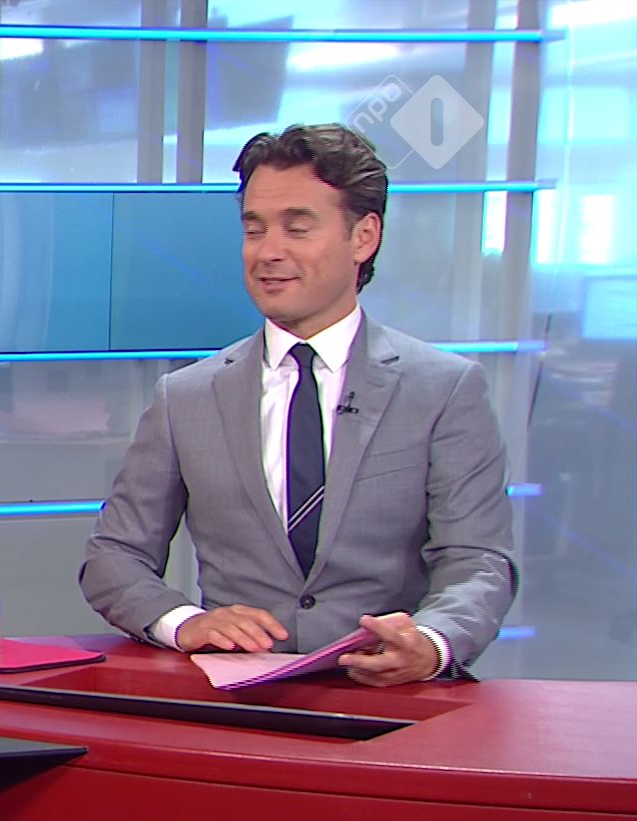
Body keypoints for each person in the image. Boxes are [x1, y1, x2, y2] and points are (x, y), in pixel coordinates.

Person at [80, 123, 517, 685]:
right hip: (234, 703)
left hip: (392, 702)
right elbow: (114, 557)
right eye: (254, 229)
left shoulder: (443, 389)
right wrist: (184, 622)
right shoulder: (186, 397)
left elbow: (479, 559)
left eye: (297, 228)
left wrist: (431, 642)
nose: (269, 252)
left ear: (364, 237)